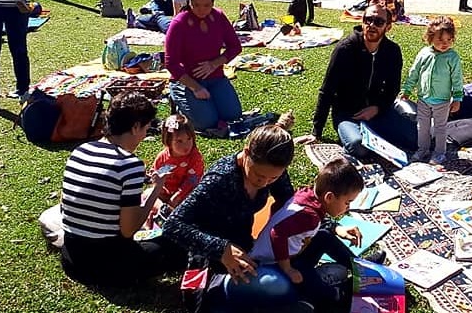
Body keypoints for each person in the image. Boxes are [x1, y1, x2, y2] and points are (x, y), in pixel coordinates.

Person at [164, 125, 301, 310]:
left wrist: (331, 226)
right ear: (246, 153)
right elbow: (173, 225)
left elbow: (291, 205)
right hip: (209, 256)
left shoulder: (273, 170)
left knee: (290, 278)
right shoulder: (221, 178)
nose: (264, 183)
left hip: (247, 248)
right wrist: (222, 250)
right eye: (259, 175)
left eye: (273, 178)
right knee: (277, 286)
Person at [60, 92, 184, 286]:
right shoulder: (129, 165)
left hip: (71, 256)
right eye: (145, 128)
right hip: (108, 265)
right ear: (135, 127)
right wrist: (156, 189)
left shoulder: (80, 150)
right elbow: (128, 230)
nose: (144, 135)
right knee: (178, 243)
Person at [249, 157, 363, 309]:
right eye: (347, 202)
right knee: (305, 272)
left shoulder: (308, 196)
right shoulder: (310, 217)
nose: (348, 207)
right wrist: (287, 269)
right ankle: (337, 294)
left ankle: (360, 267)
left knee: (323, 236)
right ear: (329, 197)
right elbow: (277, 233)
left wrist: (337, 228)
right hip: (270, 266)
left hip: (289, 255)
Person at [311, 4, 416, 158]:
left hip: (377, 111)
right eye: (368, 20)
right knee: (358, 146)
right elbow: (327, 90)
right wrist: (316, 131)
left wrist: (377, 108)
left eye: (379, 22)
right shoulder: (345, 49)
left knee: (414, 138)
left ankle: (377, 132)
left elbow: (392, 88)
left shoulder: (392, 51)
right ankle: (371, 134)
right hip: (348, 114)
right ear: (362, 21)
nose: (371, 25)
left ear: (388, 27)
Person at [165, 0, 243, 134]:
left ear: (213, 3)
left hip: (216, 77)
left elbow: (235, 47)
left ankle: (209, 102)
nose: (201, 10)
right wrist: (195, 87)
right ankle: (179, 98)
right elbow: (170, 62)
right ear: (190, 1)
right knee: (207, 122)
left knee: (232, 115)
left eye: (207, 5)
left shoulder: (218, 16)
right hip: (188, 80)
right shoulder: (179, 23)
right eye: (196, 5)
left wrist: (214, 64)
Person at [401, 16, 464, 164]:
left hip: (442, 101)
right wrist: (407, 89)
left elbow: (457, 79)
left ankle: (439, 153)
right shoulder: (424, 53)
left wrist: (457, 98)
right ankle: (423, 149)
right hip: (423, 99)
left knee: (440, 128)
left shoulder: (452, 57)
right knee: (422, 126)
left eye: (449, 40)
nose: (445, 44)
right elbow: (414, 72)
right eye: (440, 40)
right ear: (430, 38)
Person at [151, 113, 206, 217]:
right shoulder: (163, 157)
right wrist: (155, 181)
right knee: (148, 195)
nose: (186, 145)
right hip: (167, 194)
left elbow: (192, 180)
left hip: (186, 193)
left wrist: (177, 197)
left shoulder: (194, 157)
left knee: (196, 202)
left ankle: (168, 214)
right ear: (168, 141)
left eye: (189, 139)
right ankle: (163, 212)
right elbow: (157, 173)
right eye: (179, 141)